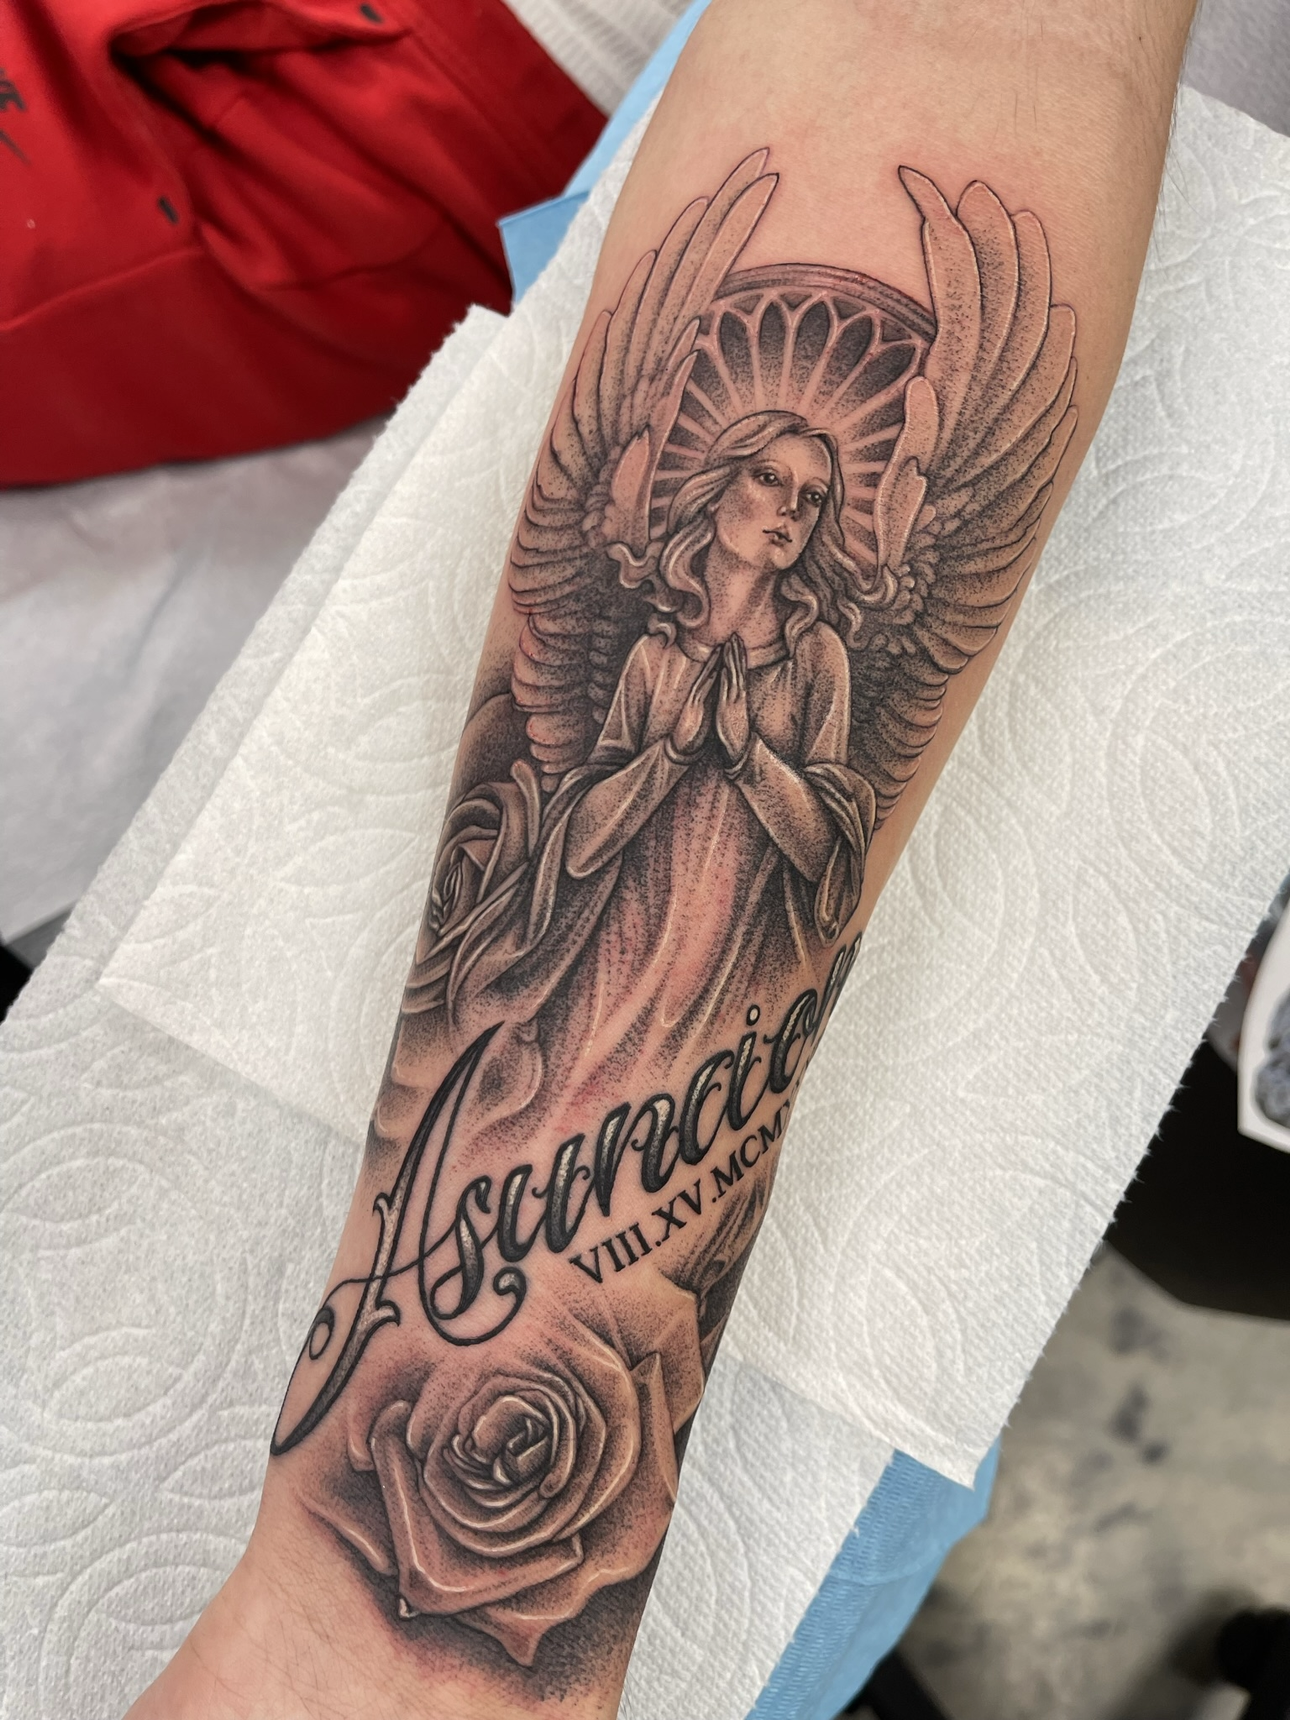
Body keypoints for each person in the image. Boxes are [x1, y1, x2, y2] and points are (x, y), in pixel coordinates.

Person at [123, 0, 1200, 1714]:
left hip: (731, 938)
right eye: (763, 484)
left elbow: (810, 839)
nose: (783, 511)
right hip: (612, 948)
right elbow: (579, 830)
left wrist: (753, 752)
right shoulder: (650, 636)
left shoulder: (813, 660)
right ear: (715, 490)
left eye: (808, 498)